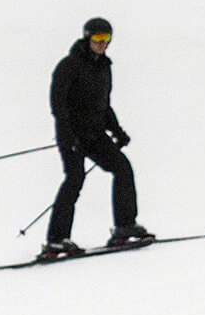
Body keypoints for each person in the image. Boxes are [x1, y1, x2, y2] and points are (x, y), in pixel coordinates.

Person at [43, 17, 150, 260]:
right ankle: (56, 240)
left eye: (106, 39)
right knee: (75, 179)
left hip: (95, 135)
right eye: (98, 38)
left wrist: (116, 130)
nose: (102, 44)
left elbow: (103, 105)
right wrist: (67, 135)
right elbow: (58, 105)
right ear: (87, 38)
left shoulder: (104, 67)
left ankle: (125, 227)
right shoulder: (69, 66)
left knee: (123, 169)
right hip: (72, 137)